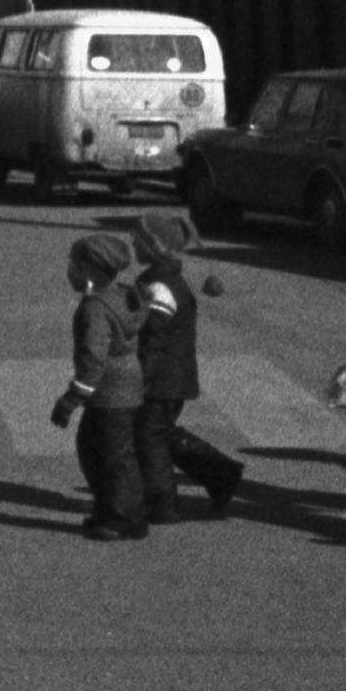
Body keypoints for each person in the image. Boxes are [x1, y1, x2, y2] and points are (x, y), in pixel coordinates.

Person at [126, 209, 245, 522]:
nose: (132, 246)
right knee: (159, 433)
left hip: (161, 380)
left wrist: (140, 377)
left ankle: (162, 504)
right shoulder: (163, 279)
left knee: (149, 438)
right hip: (173, 377)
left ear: (154, 247)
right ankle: (221, 474)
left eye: (137, 241)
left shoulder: (160, 288)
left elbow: (155, 340)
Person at [48, 231, 150, 542]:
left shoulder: (94, 309)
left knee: (109, 457)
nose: (69, 271)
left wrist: (72, 398)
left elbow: (93, 359)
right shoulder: (120, 294)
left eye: (73, 266)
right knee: (101, 452)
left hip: (111, 392)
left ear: (89, 272)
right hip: (127, 385)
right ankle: (112, 510)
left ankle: (124, 519)